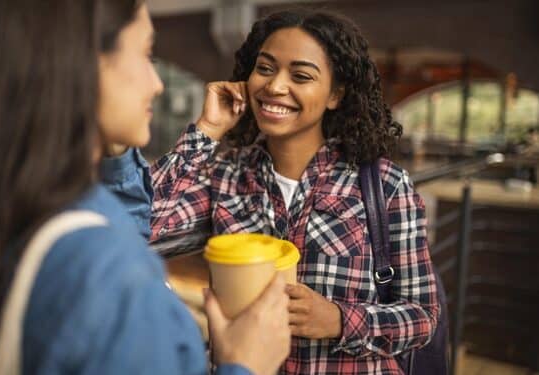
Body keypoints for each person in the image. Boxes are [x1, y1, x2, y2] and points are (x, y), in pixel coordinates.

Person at [0, 1, 290, 374]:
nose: (156, 84)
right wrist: (244, 365)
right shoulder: (108, 270)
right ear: (82, 66)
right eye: (146, 54)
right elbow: (142, 226)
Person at [135, 9, 439, 375]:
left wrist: (340, 320)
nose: (276, 86)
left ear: (335, 94)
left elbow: (422, 315)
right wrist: (207, 130)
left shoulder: (385, 187)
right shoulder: (225, 176)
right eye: (265, 68)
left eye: (300, 76)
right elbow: (139, 225)